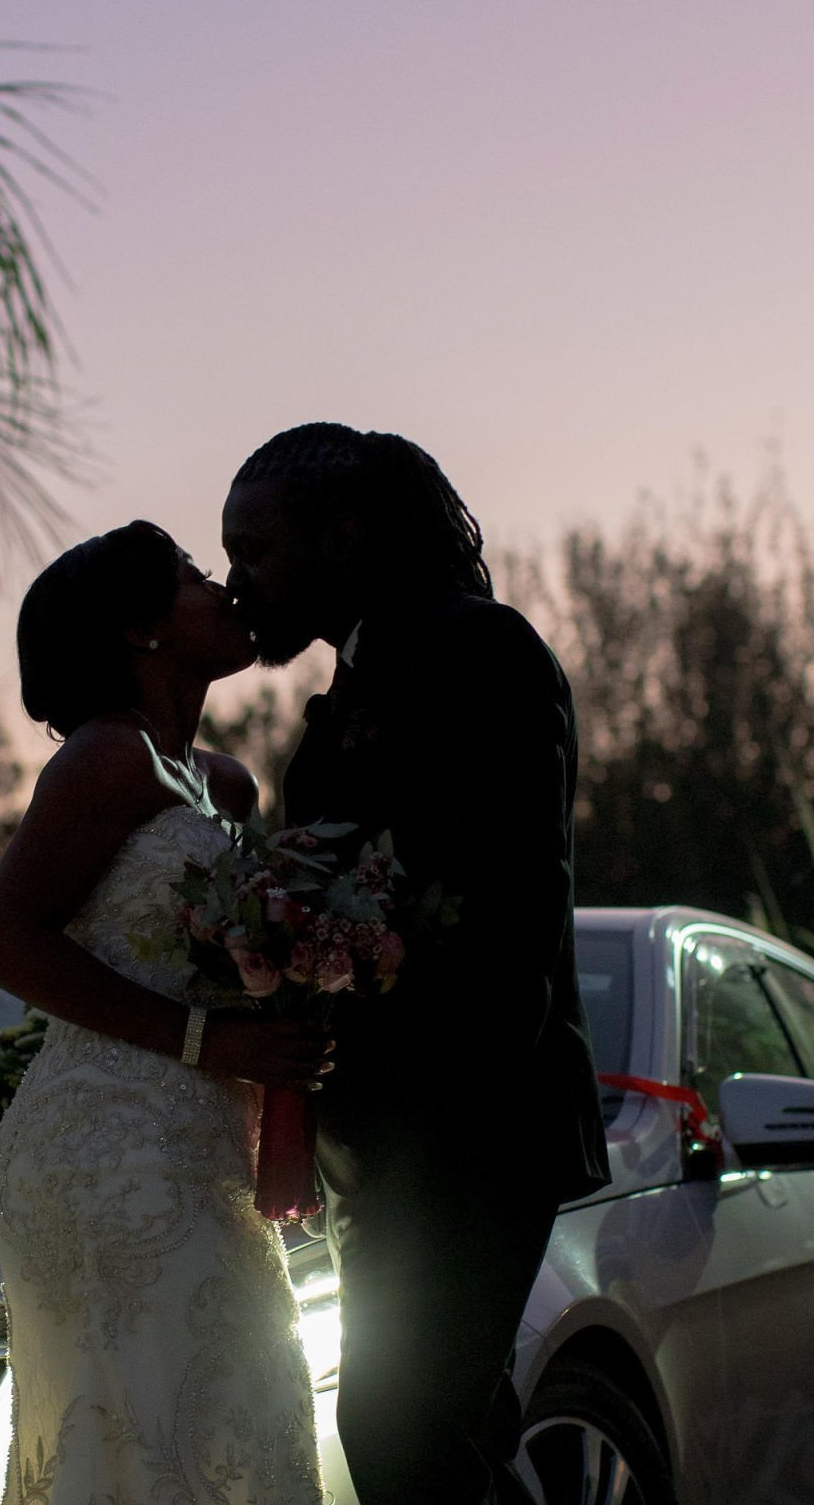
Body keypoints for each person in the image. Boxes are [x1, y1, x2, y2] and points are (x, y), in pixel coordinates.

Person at [221, 425, 610, 1505]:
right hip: (386, 1146)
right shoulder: (362, 666)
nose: (237, 580)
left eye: (254, 550)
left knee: (396, 1433)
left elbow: (509, 905)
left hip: (469, 1130)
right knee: (448, 1439)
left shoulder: (481, 649)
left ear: (343, 534)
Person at [0, 521, 330, 1505]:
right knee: (164, 1422)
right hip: (106, 1147)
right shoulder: (101, 761)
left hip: (209, 1135)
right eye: (190, 577)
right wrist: (209, 1039)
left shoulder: (225, 783)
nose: (220, 589)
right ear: (143, 632)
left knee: (247, 1406)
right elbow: (3, 939)